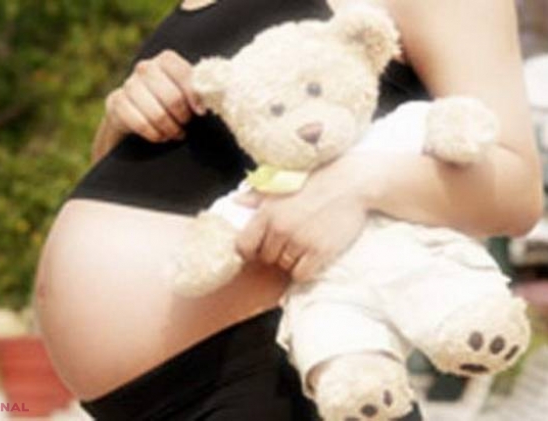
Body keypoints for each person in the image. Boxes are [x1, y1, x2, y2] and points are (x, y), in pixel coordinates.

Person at [33, 0, 543, 420]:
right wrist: (124, 122)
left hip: (276, 370)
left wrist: (358, 185)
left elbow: (517, 189)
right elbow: (149, 189)